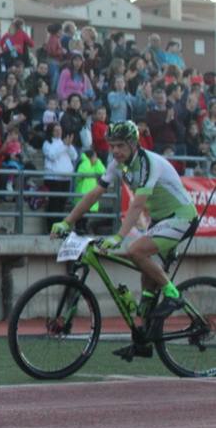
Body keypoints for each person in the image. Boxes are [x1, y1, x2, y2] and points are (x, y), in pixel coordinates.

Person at [52, 120, 198, 357]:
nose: (116, 151)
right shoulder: (117, 164)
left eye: (120, 145)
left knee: (135, 251)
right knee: (146, 277)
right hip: (161, 220)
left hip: (181, 217)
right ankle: (142, 339)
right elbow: (94, 193)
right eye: (112, 146)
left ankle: (173, 294)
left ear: (133, 144)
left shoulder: (149, 163)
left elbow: (138, 204)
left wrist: (119, 237)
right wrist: (67, 221)